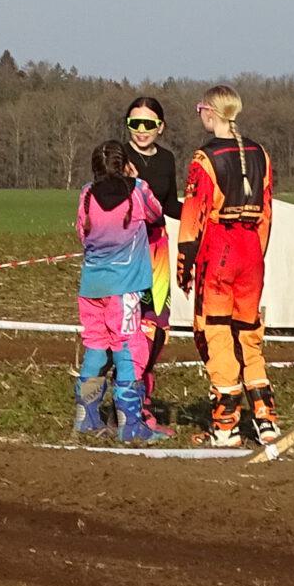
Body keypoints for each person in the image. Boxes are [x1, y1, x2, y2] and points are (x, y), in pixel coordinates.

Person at [179, 85, 280, 447]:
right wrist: (257, 254)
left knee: (217, 332)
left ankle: (225, 425)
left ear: (210, 112)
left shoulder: (204, 159)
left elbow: (194, 215)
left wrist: (185, 262)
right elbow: (267, 211)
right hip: (252, 249)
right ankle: (266, 419)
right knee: (248, 333)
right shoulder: (260, 153)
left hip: (219, 249)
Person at [75, 140, 172, 443]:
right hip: (125, 288)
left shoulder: (87, 193)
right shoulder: (138, 190)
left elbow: (81, 232)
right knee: (128, 348)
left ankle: (86, 418)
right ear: (125, 164)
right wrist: (135, 178)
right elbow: (156, 213)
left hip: (91, 288)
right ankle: (130, 423)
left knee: (95, 346)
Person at [120, 95, 179, 418]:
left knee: (156, 326)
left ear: (161, 127)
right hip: (126, 248)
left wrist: (205, 210)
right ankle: (124, 399)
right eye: (135, 123)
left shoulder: (167, 159)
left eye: (149, 124)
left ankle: (144, 399)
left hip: (157, 249)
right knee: (128, 326)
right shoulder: (118, 154)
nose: (142, 130)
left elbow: (170, 205)